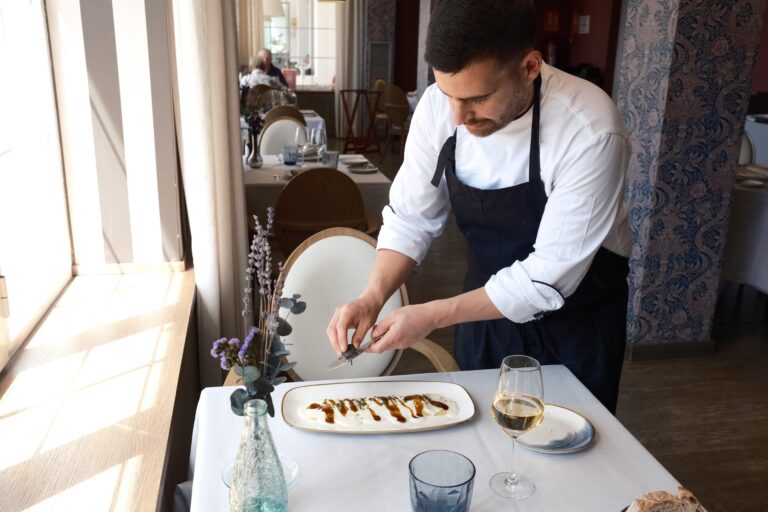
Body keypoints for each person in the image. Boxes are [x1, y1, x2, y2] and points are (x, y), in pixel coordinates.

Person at [326, 0, 631, 413]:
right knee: (481, 447)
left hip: (575, 327)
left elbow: (548, 278)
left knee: (572, 458)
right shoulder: (439, 106)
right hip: (482, 318)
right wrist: (372, 296)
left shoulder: (590, 128)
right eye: (448, 94)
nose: (457, 116)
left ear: (530, 66)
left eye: (477, 98)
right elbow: (411, 218)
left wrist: (431, 315)